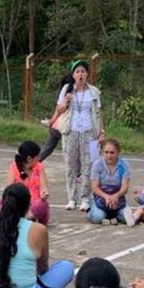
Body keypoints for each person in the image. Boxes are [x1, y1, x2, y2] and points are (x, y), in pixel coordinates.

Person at [58, 59, 103, 211]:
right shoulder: (67, 89)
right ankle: (71, 198)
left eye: (83, 71)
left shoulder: (94, 92)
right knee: (70, 165)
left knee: (89, 165)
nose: (80, 74)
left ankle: (85, 198)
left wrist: (101, 133)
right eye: (77, 71)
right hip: (70, 132)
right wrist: (65, 102)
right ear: (73, 74)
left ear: (87, 74)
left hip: (90, 132)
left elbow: (99, 114)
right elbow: (59, 111)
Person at [0, 141, 51, 225]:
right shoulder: (13, 167)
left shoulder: (39, 167)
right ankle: (20, 219)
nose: (38, 158)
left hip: (33, 205)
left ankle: (20, 219)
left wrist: (44, 193)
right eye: (37, 156)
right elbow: (9, 190)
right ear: (29, 158)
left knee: (42, 204)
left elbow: (44, 188)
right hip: (17, 205)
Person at [87, 138, 133, 225]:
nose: (109, 156)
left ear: (118, 152)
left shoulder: (124, 164)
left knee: (127, 218)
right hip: (101, 197)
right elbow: (94, 187)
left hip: (118, 198)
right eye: (106, 152)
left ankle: (111, 214)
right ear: (102, 152)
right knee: (97, 217)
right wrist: (107, 197)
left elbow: (125, 187)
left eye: (112, 152)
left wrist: (116, 196)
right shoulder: (97, 164)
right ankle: (96, 210)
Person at [39, 71, 75, 162]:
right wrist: (52, 120)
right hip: (63, 126)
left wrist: (51, 121)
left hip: (58, 126)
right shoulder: (70, 91)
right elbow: (59, 110)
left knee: (47, 148)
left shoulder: (66, 91)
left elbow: (57, 109)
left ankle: (34, 163)